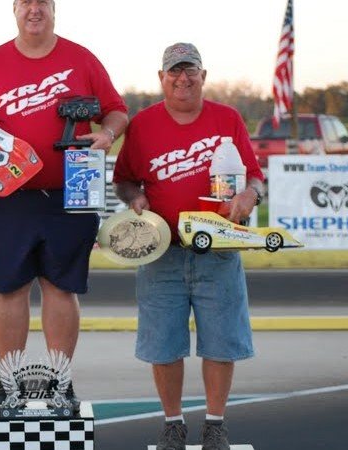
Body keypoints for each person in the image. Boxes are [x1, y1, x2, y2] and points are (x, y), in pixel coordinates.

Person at [0, 0, 129, 411]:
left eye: (42, 2)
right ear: (14, 10)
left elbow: (117, 112)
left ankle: (60, 383)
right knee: (9, 289)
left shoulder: (81, 58)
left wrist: (107, 134)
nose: (34, 9)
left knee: (61, 287)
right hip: (6, 193)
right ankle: (9, 383)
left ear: (54, 9)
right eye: (26, 2)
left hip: (71, 189)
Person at [113, 43, 265, 450]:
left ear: (203, 75)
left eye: (190, 70)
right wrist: (135, 198)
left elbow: (254, 175)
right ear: (161, 78)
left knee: (222, 341)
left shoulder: (227, 118)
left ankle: (215, 425)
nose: (183, 78)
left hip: (218, 247)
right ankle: (173, 424)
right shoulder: (143, 124)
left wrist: (250, 195)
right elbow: (124, 179)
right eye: (174, 71)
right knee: (163, 344)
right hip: (162, 249)